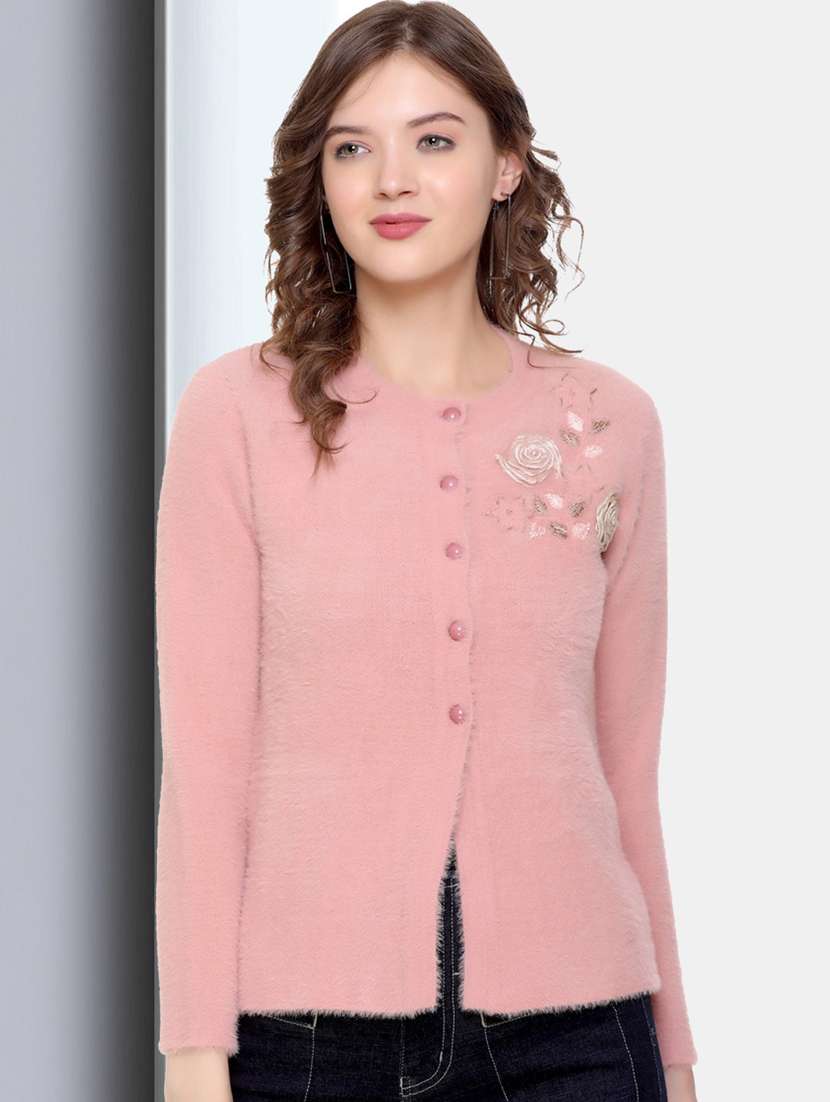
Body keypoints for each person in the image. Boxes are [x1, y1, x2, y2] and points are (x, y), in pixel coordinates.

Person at [156, 3, 699, 1100]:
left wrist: (675, 1054)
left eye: (434, 140)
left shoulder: (608, 424)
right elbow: (206, 770)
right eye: (352, 148)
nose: (391, 179)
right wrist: (193, 1055)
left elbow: (626, 769)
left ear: (505, 165)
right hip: (306, 1040)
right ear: (319, 180)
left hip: (583, 1034)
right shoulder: (237, 413)